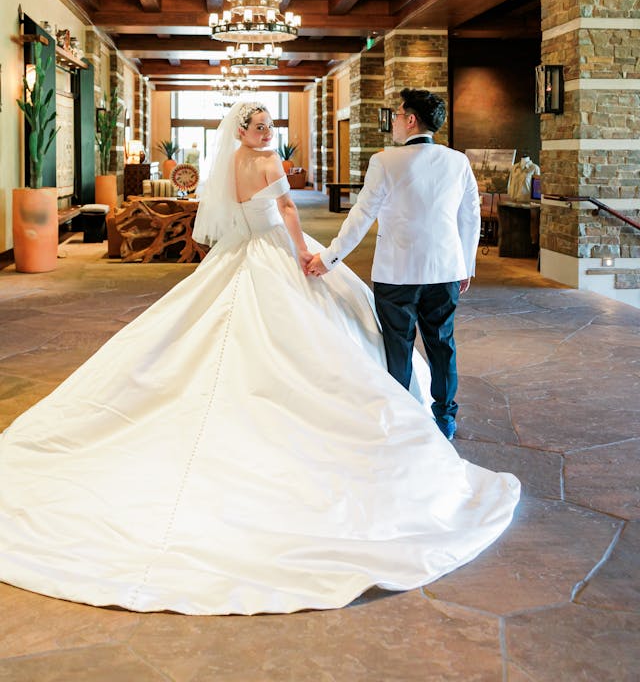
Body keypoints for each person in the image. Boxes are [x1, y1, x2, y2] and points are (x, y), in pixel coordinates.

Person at [0, 101, 519, 617]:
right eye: (261, 125)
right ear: (244, 131)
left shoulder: (236, 162)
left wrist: (331, 255)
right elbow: (298, 212)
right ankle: (432, 416)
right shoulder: (448, 161)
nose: (268, 131)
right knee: (420, 341)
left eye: (270, 125)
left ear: (409, 120)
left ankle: (409, 411)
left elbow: (349, 213)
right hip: (363, 259)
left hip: (263, 252)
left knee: (390, 345)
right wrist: (312, 255)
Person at [308, 88, 480, 442]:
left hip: (396, 272)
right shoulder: (457, 161)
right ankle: (445, 417)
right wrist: (465, 265)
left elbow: (362, 214)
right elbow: (470, 216)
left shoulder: (385, 161)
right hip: (445, 269)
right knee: (442, 343)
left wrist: (330, 258)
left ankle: (402, 417)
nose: (395, 123)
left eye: (398, 116)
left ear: (412, 119)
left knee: (398, 344)